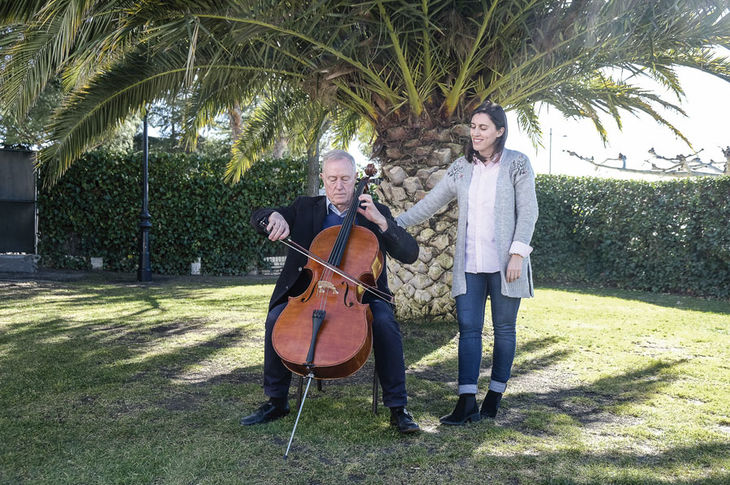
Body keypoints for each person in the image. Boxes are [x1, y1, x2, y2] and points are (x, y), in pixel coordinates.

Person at [242, 149, 421, 434]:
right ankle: (276, 401)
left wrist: (383, 223)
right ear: (323, 179)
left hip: (361, 296)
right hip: (310, 292)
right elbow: (258, 217)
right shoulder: (304, 207)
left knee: (386, 323)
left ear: (355, 180)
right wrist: (273, 218)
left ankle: (398, 408)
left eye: (346, 179)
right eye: (333, 179)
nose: (339, 186)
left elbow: (410, 253)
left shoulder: (373, 212)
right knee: (276, 317)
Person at [396, 100, 538, 424]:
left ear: (500, 131)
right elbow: (432, 202)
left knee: (504, 330)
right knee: (468, 329)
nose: (476, 133)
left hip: (507, 265)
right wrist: (396, 224)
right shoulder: (462, 167)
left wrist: (517, 254)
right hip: (470, 264)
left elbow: (528, 211)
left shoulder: (518, 164)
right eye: (473, 127)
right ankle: (466, 402)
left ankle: (495, 394)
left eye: (483, 127)